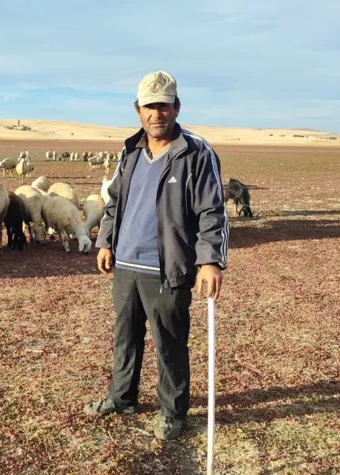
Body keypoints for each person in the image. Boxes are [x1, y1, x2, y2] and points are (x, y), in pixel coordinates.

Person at [84, 70, 229, 441]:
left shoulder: (195, 152)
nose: (156, 114)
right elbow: (115, 200)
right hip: (126, 264)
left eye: (163, 106)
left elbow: (212, 211)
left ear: (176, 107)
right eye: (149, 106)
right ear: (138, 110)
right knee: (125, 336)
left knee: (169, 343)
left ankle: (173, 412)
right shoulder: (131, 151)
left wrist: (210, 261)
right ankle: (122, 398)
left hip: (168, 268)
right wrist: (105, 241)